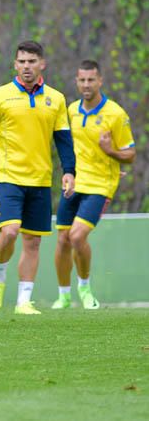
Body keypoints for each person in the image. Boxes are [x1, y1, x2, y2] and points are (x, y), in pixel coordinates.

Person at [0, 40, 76, 315]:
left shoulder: (56, 98)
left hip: (40, 179)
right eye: (22, 62)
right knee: (10, 231)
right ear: (15, 64)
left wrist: (69, 171)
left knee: (33, 241)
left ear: (42, 64)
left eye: (32, 61)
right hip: (8, 176)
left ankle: (24, 300)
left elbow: (63, 140)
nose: (27, 66)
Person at [52, 60, 136, 310]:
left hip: (100, 185)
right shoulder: (72, 111)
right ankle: (64, 296)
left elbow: (130, 153)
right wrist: (67, 173)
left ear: (100, 81)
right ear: (76, 82)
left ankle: (85, 288)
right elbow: (67, 147)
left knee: (77, 237)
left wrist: (111, 152)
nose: (86, 84)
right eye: (82, 80)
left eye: (91, 80)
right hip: (75, 182)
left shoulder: (115, 113)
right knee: (63, 240)